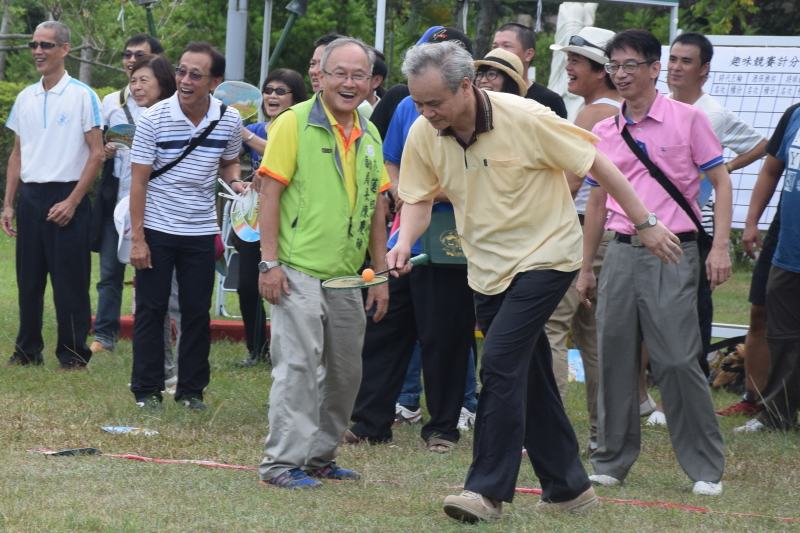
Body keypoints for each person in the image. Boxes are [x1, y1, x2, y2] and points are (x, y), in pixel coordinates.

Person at [393, 40, 681, 523]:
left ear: (465, 87)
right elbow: (419, 198)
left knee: (500, 363)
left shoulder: (525, 116)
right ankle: (570, 488)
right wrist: (404, 241)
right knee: (530, 378)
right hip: (487, 269)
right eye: (418, 103)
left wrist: (645, 222)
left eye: (434, 103)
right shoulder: (425, 132)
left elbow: (597, 164)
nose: (426, 113)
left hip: (547, 257)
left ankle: (485, 490)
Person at [576, 29, 731, 496]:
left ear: (654, 69)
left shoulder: (688, 119)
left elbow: (721, 181)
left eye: (630, 65)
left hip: (673, 251)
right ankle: (610, 460)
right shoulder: (605, 131)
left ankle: (705, 468)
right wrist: (586, 267)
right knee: (614, 357)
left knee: (678, 359)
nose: (621, 74)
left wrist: (720, 247)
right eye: (614, 66)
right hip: (619, 252)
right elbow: (597, 203)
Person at [256, 37, 390, 489]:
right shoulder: (293, 123)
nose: (349, 83)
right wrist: (269, 263)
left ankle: (319, 458)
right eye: (340, 74)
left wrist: (380, 275)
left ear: (371, 82)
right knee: (297, 368)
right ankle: (281, 464)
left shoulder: (370, 133)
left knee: (346, 372)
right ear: (321, 76)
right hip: (296, 270)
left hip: (348, 276)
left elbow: (377, 207)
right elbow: (269, 194)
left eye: (359, 75)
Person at [345, 28, 477, 452]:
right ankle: (370, 421)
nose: (426, 109)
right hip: (405, 240)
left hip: (452, 244)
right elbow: (391, 159)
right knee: (383, 329)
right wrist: (402, 189)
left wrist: (425, 193)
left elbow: (475, 180)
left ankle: (442, 429)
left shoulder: (478, 114)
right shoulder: (407, 106)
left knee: (445, 337)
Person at [640, 31, 768, 425]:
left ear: (704, 69)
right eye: (673, 59)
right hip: (649, 225)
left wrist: (724, 168)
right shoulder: (656, 106)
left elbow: (762, 144)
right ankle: (641, 394)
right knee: (645, 311)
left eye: (686, 61)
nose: (676, 68)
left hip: (694, 226)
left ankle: (675, 403)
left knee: (687, 313)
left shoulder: (713, 113)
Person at [128, 41, 244, 410]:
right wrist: (138, 239)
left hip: (200, 230)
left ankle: (191, 392)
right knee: (151, 310)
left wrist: (237, 182)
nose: (185, 80)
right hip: (157, 228)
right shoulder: (153, 119)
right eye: (181, 71)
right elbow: (138, 182)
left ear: (215, 82)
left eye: (196, 74)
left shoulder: (229, 119)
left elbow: (229, 162)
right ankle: (147, 390)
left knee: (196, 313)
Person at [2, 21, 103, 370]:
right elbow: (18, 153)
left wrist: (73, 201)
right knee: (28, 281)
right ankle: (27, 351)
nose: (37, 51)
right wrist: (8, 204)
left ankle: (73, 355)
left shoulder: (83, 96)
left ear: (65, 49)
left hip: (68, 196)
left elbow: (97, 153)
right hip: (31, 198)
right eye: (33, 45)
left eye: (45, 45)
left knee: (70, 283)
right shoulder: (24, 97)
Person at [545, 27, 620, 453]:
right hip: (613, 232)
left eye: (575, 60)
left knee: (552, 326)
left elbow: (570, 183)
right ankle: (602, 435)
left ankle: (549, 434)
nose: (568, 66)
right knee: (594, 337)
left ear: (601, 69)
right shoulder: (623, 109)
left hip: (582, 229)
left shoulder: (592, 114)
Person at [91, 33, 164, 355]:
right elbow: (98, 143)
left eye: (140, 55)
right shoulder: (111, 101)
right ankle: (104, 336)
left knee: (154, 273)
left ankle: (155, 332)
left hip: (156, 204)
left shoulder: (169, 105)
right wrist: (105, 150)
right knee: (110, 272)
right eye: (127, 54)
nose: (131, 60)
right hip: (117, 201)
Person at [233, 68, 308, 367]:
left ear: (295, 98)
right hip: (255, 219)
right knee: (246, 285)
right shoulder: (257, 129)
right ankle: (257, 350)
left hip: (292, 220)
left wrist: (245, 134)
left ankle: (289, 351)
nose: (272, 96)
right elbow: (229, 159)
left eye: (280, 91)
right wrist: (237, 181)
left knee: (289, 289)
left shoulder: (301, 128)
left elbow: (281, 153)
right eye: (268, 90)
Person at [734, 101, 800, 433]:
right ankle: (775, 416)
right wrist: (751, 221)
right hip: (788, 246)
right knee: (782, 334)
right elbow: (771, 170)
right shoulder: (795, 115)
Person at [492, 22, 567, 118]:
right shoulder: (487, 94)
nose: (498, 51)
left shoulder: (549, 100)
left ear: (528, 55)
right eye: (494, 47)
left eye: (507, 46)